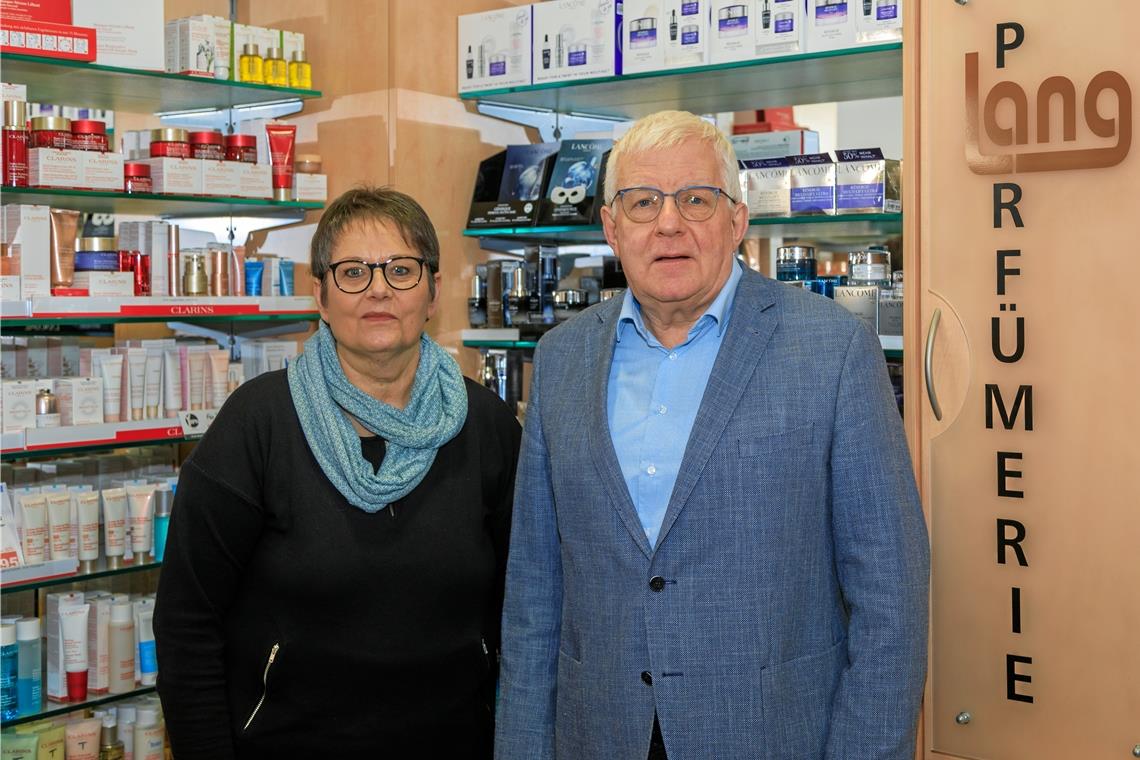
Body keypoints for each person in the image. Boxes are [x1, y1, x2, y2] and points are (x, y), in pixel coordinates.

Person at [494, 111, 930, 760]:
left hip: (769, 734)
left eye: (696, 199)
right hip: (599, 734)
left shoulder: (832, 350)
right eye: (642, 202)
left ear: (738, 218)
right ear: (611, 226)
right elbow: (534, 595)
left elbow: (890, 597)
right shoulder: (561, 359)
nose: (668, 223)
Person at [155, 187, 521, 759]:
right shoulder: (259, 424)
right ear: (321, 295)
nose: (378, 288)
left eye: (401, 269)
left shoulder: (486, 427)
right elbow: (186, 624)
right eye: (353, 272)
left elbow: (520, 609)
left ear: (433, 292)